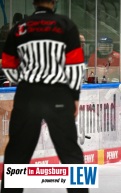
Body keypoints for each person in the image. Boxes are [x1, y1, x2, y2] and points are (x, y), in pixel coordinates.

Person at [0, 0, 88, 193]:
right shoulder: (65, 25)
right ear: (54, 2)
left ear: (33, 3)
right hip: (58, 94)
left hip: (28, 94)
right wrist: (74, 95)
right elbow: (75, 66)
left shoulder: (20, 28)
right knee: (70, 153)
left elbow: (7, 64)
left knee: (17, 154)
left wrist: (23, 79)